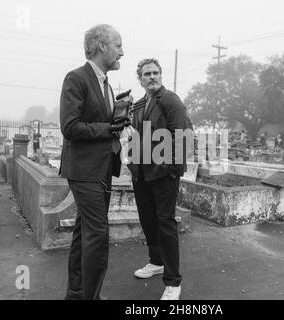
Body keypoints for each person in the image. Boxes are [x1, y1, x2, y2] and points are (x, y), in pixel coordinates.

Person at [59, 24, 130, 300]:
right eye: (118, 45)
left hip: (102, 168)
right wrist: (110, 129)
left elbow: (103, 123)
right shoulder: (76, 78)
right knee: (98, 236)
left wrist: (121, 118)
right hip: (84, 171)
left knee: (83, 233)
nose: (122, 52)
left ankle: (76, 294)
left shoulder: (107, 85)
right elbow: (71, 127)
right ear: (101, 46)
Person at [127, 58, 188, 300]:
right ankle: (156, 262)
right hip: (142, 172)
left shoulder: (170, 99)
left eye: (155, 73)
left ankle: (173, 281)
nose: (151, 77)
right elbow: (136, 135)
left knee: (165, 223)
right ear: (140, 79)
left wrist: (172, 168)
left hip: (164, 174)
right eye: (146, 74)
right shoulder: (140, 104)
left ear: (160, 76)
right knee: (148, 220)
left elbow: (181, 134)